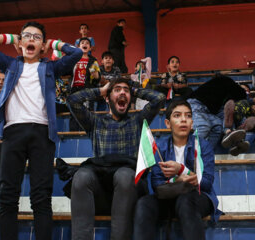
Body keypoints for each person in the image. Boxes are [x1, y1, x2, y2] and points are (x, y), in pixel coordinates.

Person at [0, 21, 82, 240]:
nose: (31, 39)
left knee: (41, 197)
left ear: (43, 46)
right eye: (27, 36)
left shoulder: (50, 67)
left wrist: (51, 43)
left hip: (42, 134)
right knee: (7, 196)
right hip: (13, 133)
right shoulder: (10, 64)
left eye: (37, 37)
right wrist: (11, 38)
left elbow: (77, 52)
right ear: (20, 42)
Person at [66, 78, 165, 240]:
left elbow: (159, 98)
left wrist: (133, 90)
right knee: (81, 175)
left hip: (129, 191)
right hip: (103, 195)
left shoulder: (137, 122)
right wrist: (100, 90)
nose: (122, 93)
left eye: (125, 90)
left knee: (124, 174)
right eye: (117, 90)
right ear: (107, 98)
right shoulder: (95, 123)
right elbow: (72, 101)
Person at [133, 100, 221, 240]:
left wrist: (181, 170)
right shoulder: (160, 147)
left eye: (188, 116)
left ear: (192, 122)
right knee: (144, 203)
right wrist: (178, 179)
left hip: (197, 198)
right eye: (177, 115)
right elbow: (157, 184)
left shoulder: (203, 146)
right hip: (168, 197)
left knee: (185, 201)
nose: (183, 120)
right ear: (168, 123)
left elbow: (206, 183)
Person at [187, 74, 246, 148]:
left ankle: (206, 154)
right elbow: (241, 94)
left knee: (218, 127)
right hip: (196, 104)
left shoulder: (221, 97)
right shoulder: (226, 81)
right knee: (203, 127)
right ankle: (189, 154)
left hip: (208, 111)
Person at [69, 37, 101, 130]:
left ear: (90, 48)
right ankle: (73, 137)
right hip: (74, 90)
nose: (85, 44)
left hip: (87, 90)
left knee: (87, 113)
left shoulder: (93, 61)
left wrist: (96, 76)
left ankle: (88, 136)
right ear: (78, 47)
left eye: (87, 43)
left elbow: (98, 79)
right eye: (82, 43)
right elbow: (66, 71)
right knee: (74, 114)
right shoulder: (73, 59)